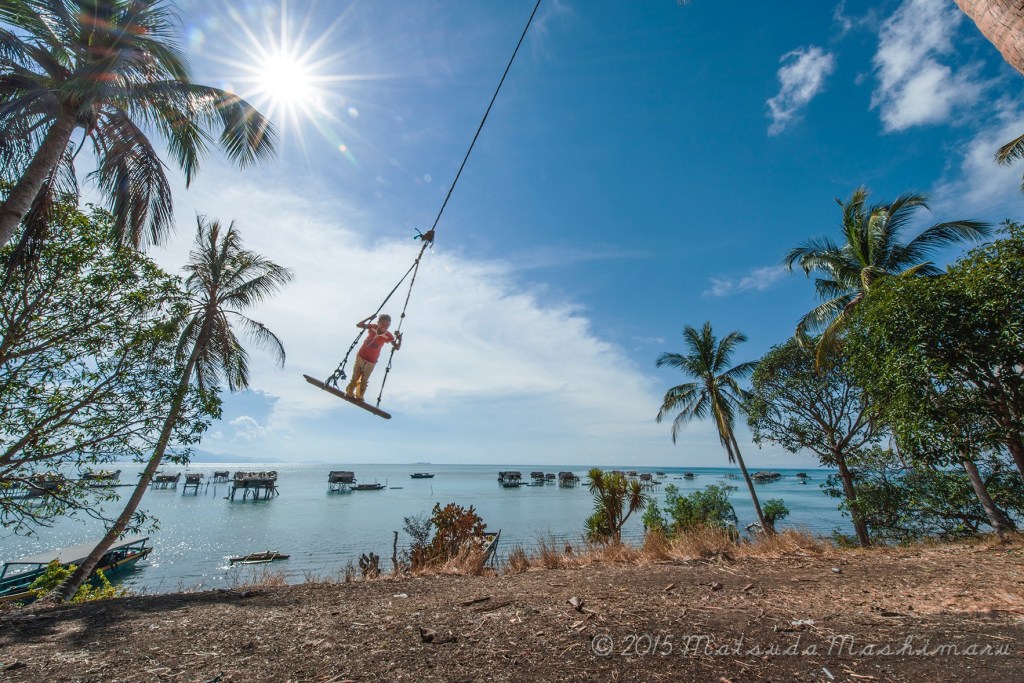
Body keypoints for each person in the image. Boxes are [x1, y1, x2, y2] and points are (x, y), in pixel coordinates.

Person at [345, 314, 402, 401]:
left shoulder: (388, 336)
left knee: (364, 379)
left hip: (372, 361)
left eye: (387, 324)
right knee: (355, 376)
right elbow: (359, 325)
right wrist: (369, 318)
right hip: (361, 356)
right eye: (382, 323)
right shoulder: (373, 327)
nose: (384, 326)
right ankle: (349, 392)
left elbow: (397, 347)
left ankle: (359, 395)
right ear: (378, 323)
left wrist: (399, 338)